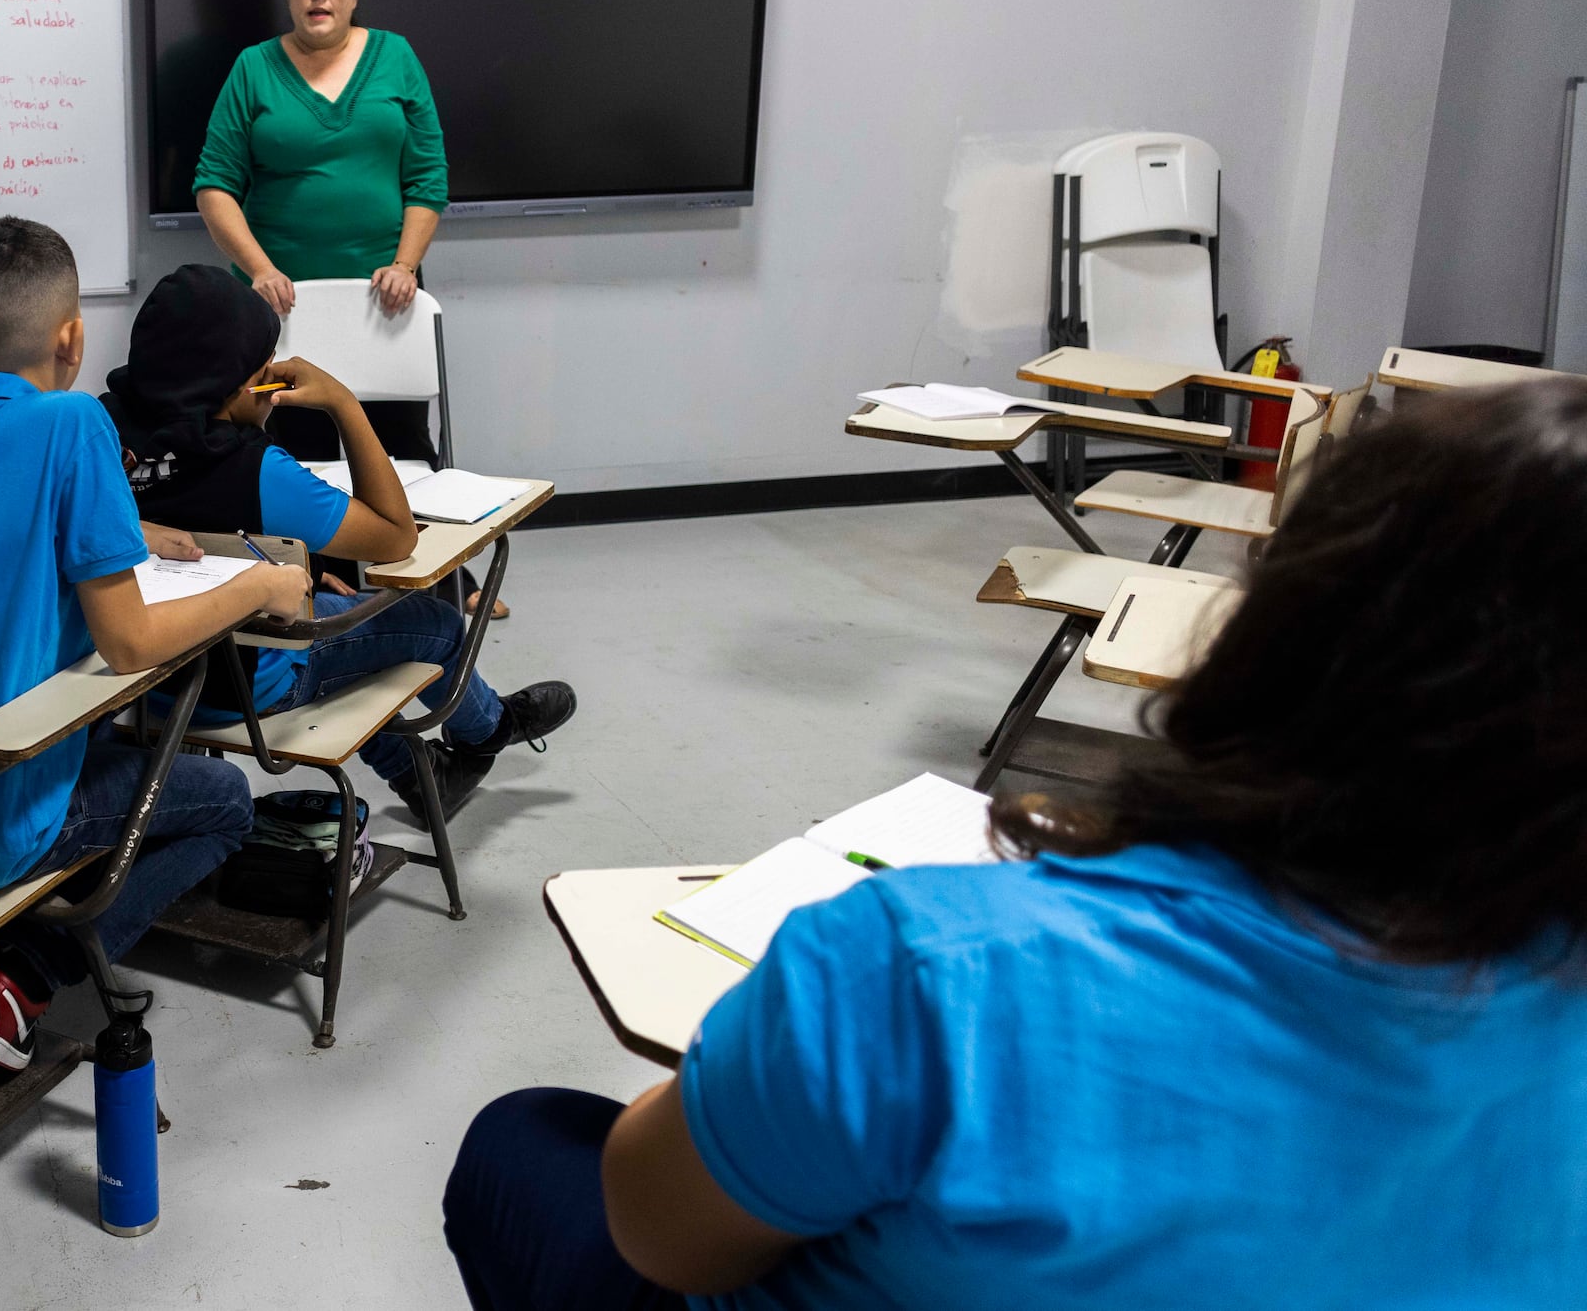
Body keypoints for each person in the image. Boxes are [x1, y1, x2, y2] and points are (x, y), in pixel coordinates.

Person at [443, 378, 1587, 1309]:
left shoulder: (928, 967)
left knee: (523, 1141)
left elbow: (664, 1238)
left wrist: (760, 1054)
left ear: (1290, 629)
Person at [0, 218, 309, 1072]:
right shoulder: (72, 425)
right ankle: (21, 981)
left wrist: (127, 528)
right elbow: (129, 644)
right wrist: (259, 586)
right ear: (73, 337)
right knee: (226, 800)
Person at [101, 265, 575, 819]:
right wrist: (343, 404)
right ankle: (490, 730)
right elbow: (395, 538)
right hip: (246, 689)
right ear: (239, 387)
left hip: (135, 680)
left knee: (353, 630)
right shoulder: (256, 470)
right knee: (434, 622)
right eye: (263, 373)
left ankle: (425, 780)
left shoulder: (98, 429)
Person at [190, 0, 446, 467]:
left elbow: (427, 178)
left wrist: (406, 265)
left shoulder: (396, 56)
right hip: (277, 312)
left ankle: (408, 553)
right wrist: (259, 270)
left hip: (385, 304)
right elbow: (214, 184)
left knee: (397, 455)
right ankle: (311, 557)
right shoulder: (252, 67)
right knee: (288, 459)